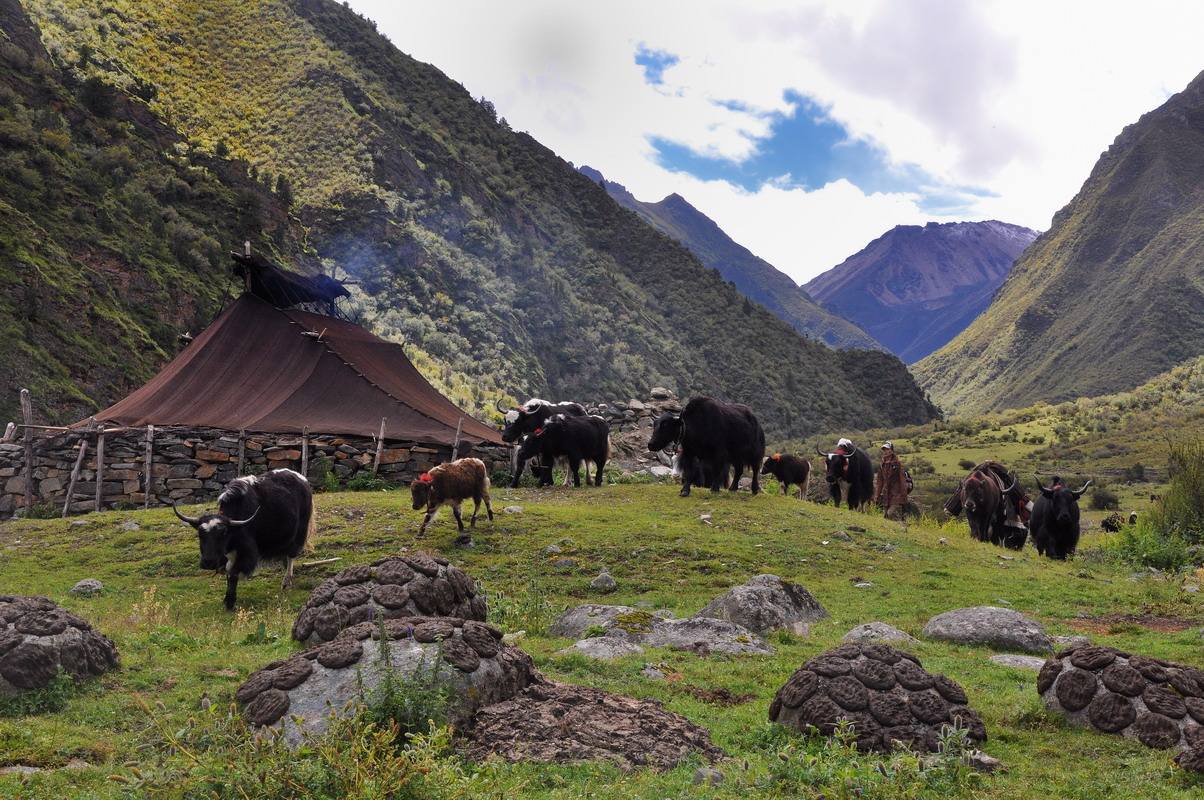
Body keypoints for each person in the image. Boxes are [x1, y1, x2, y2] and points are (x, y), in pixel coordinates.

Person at [874, 441, 909, 520]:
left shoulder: (897, 463)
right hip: (886, 494)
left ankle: (902, 528)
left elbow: (902, 480)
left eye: (887, 449)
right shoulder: (882, 464)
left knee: (890, 514)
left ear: (891, 450)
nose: (885, 451)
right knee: (886, 516)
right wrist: (877, 495)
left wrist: (904, 495)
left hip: (896, 493)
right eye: (884, 449)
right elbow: (879, 481)